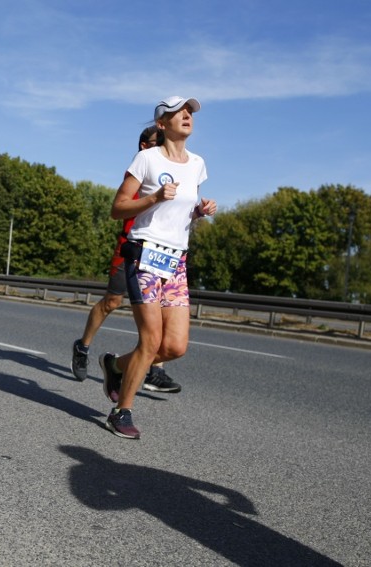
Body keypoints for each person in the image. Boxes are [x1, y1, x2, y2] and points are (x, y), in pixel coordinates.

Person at [101, 96, 216, 439]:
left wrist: (198, 212)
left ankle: (115, 365)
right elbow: (118, 207)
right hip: (144, 254)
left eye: (190, 112)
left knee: (174, 347)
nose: (186, 116)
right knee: (150, 341)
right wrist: (153, 198)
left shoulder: (198, 164)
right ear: (162, 124)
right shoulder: (147, 159)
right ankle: (122, 410)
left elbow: (178, 213)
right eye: (178, 112)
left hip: (176, 260)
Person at [71, 127, 181, 395]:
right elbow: (119, 209)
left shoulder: (172, 170)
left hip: (161, 253)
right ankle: (82, 347)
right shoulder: (140, 170)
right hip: (130, 247)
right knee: (112, 301)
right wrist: (154, 197)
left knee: (160, 312)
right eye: (157, 143)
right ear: (145, 145)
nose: (162, 147)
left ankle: (156, 371)